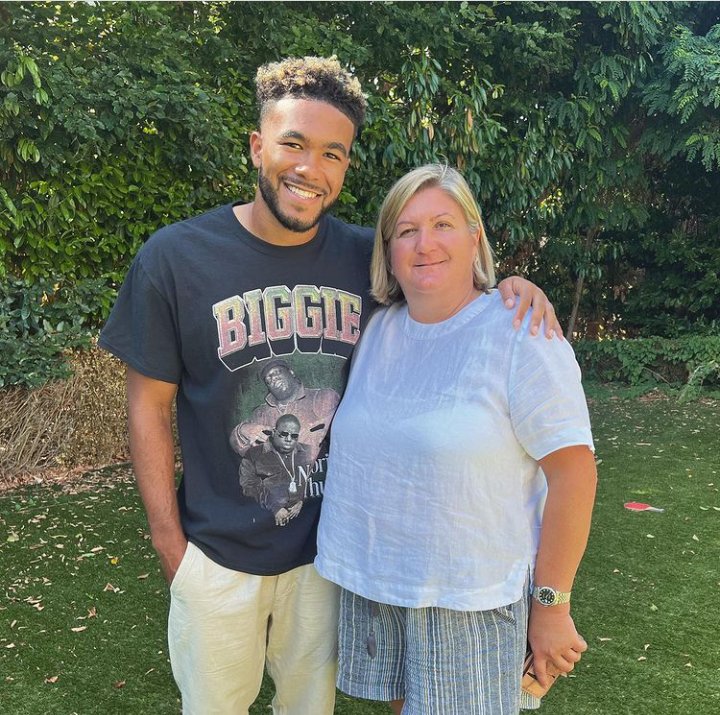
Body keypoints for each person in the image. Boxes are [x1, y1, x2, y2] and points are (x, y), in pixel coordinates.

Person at [99, 56, 561, 715]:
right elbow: (147, 403)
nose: (310, 169)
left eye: (332, 153)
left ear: (345, 166)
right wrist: (169, 541)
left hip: (327, 560)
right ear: (258, 146)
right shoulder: (175, 258)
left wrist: (511, 289)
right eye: (293, 144)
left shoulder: (365, 257)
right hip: (216, 555)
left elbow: (450, 289)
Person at [315, 164, 597, 714]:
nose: (425, 244)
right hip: (380, 581)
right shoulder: (377, 328)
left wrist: (552, 607)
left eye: (443, 224)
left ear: (475, 238)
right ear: (388, 250)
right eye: (406, 230)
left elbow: (575, 473)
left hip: (470, 596)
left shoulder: (520, 332)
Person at [230, 358, 339, 461]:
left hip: (322, 476)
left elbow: (347, 428)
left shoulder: (322, 397)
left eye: (277, 372)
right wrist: (243, 430)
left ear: (291, 372)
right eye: (268, 379)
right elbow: (241, 448)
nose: (273, 378)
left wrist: (324, 426)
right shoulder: (261, 414)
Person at [239, 414, 313, 526]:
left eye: (294, 436)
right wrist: (275, 507)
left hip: (303, 522)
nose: (289, 439)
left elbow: (316, 481)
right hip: (265, 522)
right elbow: (248, 487)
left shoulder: (307, 452)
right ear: (274, 432)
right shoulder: (254, 455)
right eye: (284, 434)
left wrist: (303, 500)